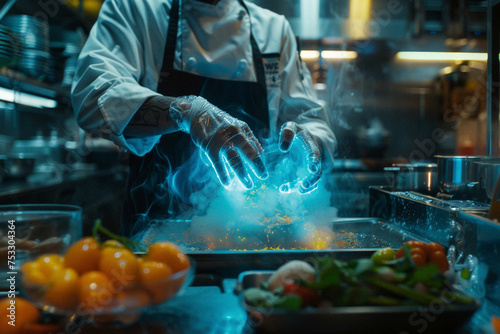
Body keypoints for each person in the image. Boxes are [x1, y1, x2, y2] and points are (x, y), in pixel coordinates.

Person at [71, 0, 336, 236]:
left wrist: (313, 145)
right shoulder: (135, 9)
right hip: (156, 232)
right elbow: (95, 96)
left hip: (253, 232)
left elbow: (308, 117)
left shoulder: (273, 29)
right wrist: (187, 112)